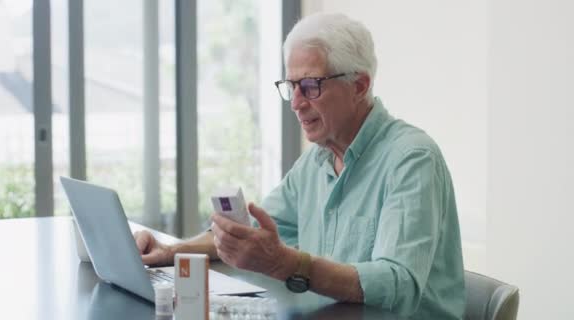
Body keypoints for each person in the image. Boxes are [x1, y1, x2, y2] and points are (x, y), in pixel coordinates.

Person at [135, 12, 465, 319]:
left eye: (310, 86)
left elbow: (399, 284)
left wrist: (288, 264)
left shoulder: (412, 159)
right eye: (291, 87)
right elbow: (251, 234)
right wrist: (172, 251)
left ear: (359, 86)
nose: (295, 103)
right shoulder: (316, 161)